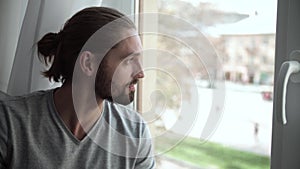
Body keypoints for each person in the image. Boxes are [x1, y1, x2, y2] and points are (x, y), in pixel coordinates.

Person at [0, 7, 155, 169]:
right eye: (129, 60)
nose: (141, 73)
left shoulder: (135, 134)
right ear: (88, 63)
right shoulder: (9, 123)